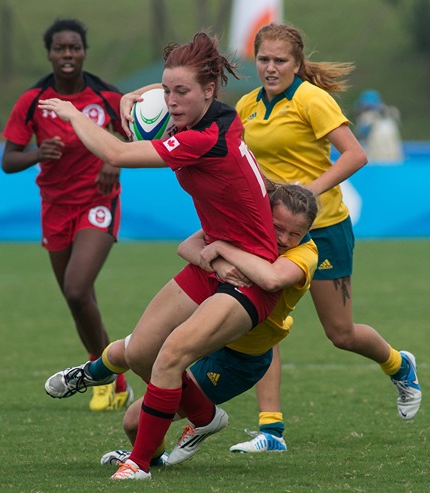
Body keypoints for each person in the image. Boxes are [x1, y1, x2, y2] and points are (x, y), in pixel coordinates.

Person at [38, 32, 280, 480]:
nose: (169, 101)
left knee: (169, 358)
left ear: (209, 90)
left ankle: (139, 463)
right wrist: (137, 95)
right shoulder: (217, 113)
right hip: (214, 260)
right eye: (166, 91)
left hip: (246, 275)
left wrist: (72, 113)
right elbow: (165, 92)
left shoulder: (203, 139)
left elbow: (114, 151)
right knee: (142, 352)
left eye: (180, 92)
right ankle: (206, 418)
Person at [230, 23, 421, 454]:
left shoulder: (312, 99)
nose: (271, 67)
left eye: (280, 60)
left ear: (296, 64)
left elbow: (356, 154)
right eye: (264, 59)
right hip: (273, 232)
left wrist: (304, 195)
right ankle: (270, 431)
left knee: (341, 333)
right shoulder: (246, 106)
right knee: (260, 324)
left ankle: (398, 364)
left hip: (325, 227)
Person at [45, 183, 318, 466]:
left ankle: (152, 455)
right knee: (135, 349)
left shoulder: (304, 255)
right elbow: (187, 246)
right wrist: (219, 263)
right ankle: (95, 376)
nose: (284, 239)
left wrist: (221, 248)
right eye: (278, 227)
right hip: (205, 323)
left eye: (295, 233)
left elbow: (271, 278)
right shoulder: (249, 226)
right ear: (264, 216)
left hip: (237, 359)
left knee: (133, 422)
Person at [1, 18, 132, 412]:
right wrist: (36, 154)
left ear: (84, 51)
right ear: (50, 54)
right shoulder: (33, 100)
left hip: (98, 200)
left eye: (74, 47)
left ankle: (101, 377)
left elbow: (138, 131)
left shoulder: (107, 95)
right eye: (60, 48)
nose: (68, 54)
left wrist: (116, 158)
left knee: (77, 288)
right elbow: (8, 160)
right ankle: (114, 377)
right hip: (55, 207)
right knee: (77, 300)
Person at [353, 89, 404, 163]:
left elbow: (360, 134)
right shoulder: (390, 118)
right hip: (394, 161)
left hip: (377, 161)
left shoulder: (367, 118)